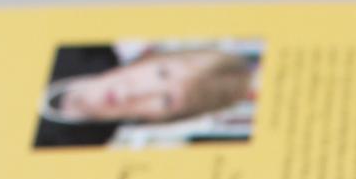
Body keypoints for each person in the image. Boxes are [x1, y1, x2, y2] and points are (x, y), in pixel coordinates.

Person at [34, 43, 258, 148]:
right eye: (161, 73)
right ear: (148, 57)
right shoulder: (75, 46)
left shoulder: (83, 151)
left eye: (167, 100)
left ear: (162, 120)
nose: (138, 92)